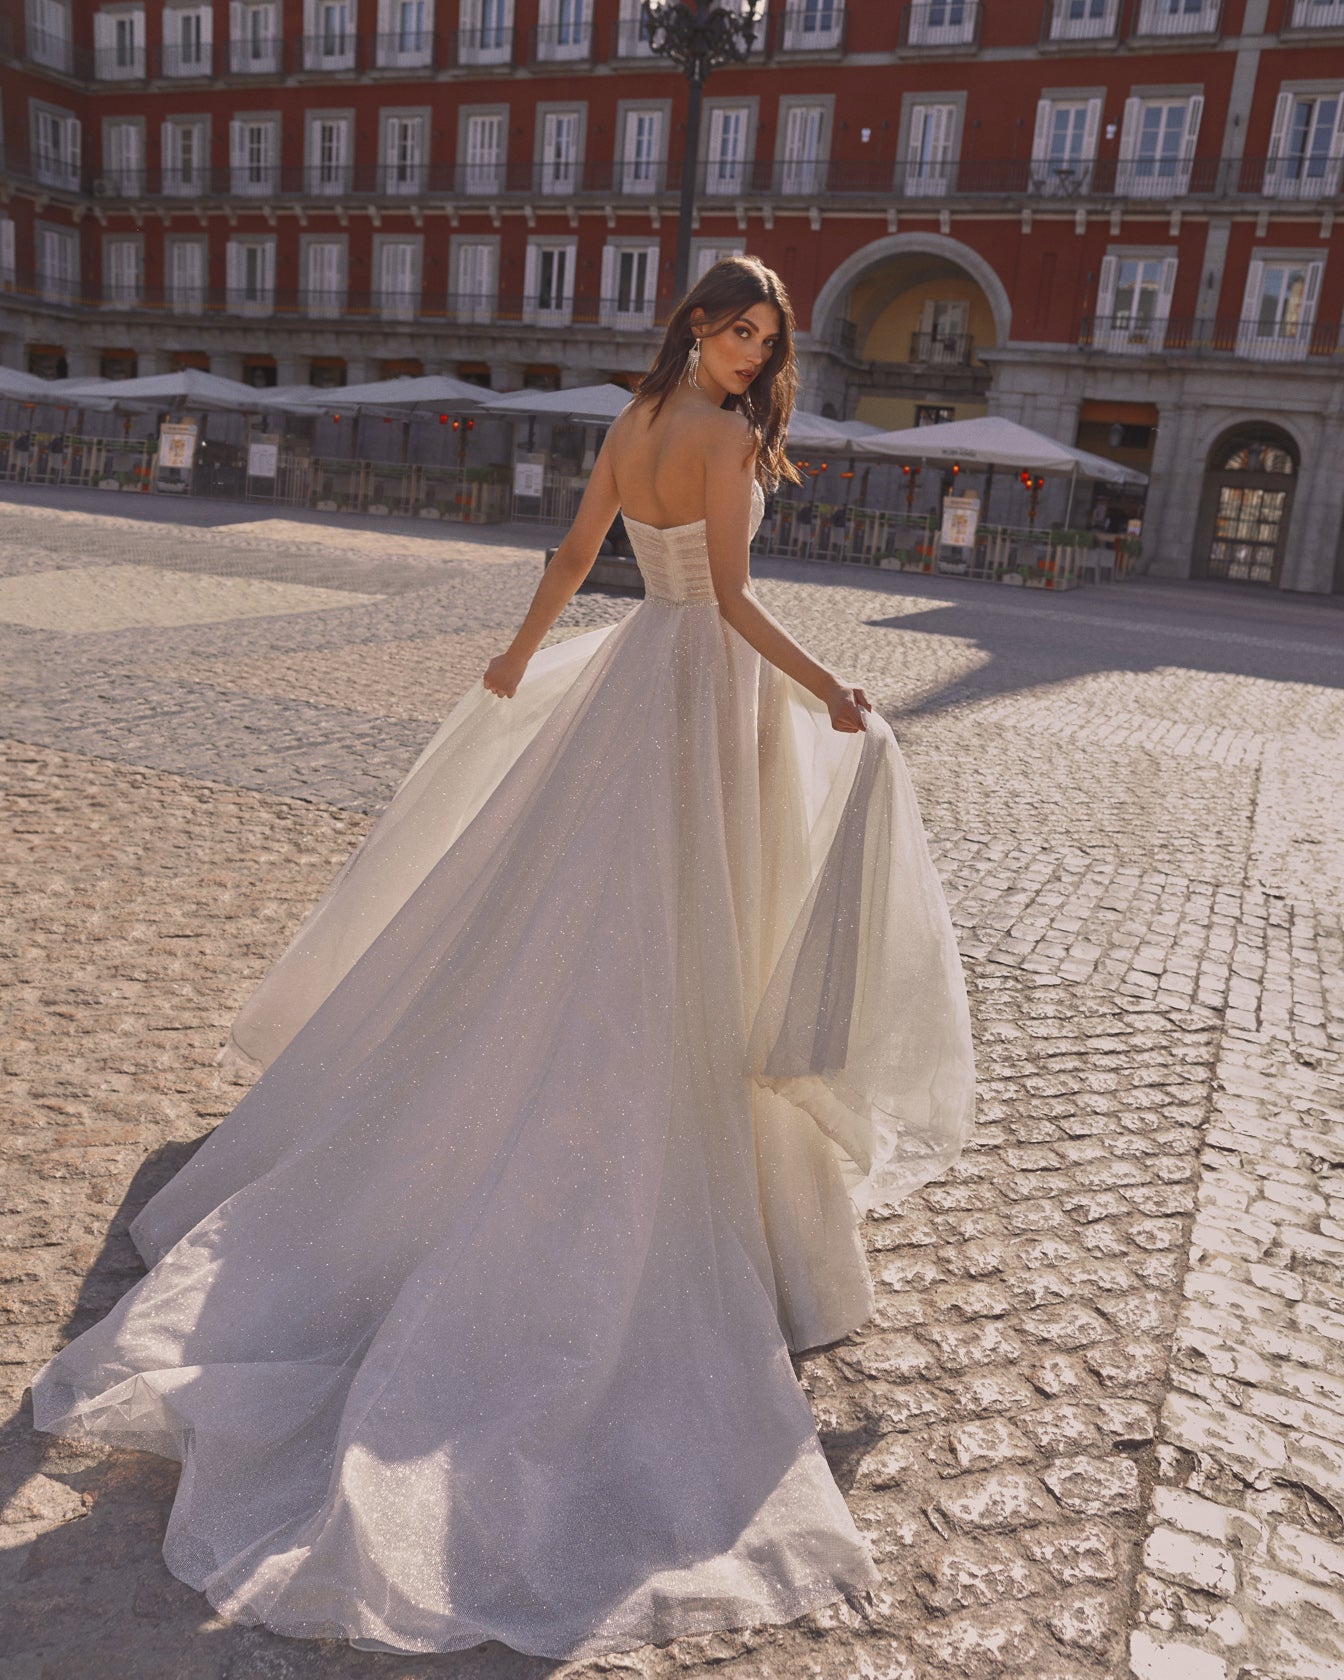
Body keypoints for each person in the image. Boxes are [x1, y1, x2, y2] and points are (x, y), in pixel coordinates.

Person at [28, 257, 976, 1660]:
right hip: (697, 683)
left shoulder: (634, 417)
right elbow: (728, 601)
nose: (743, 354)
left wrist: (518, 664)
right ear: (699, 328)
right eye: (732, 330)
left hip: (623, 679)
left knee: (576, 916)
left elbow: (578, 552)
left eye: (762, 340)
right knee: (670, 931)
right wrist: (826, 685)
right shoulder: (714, 435)